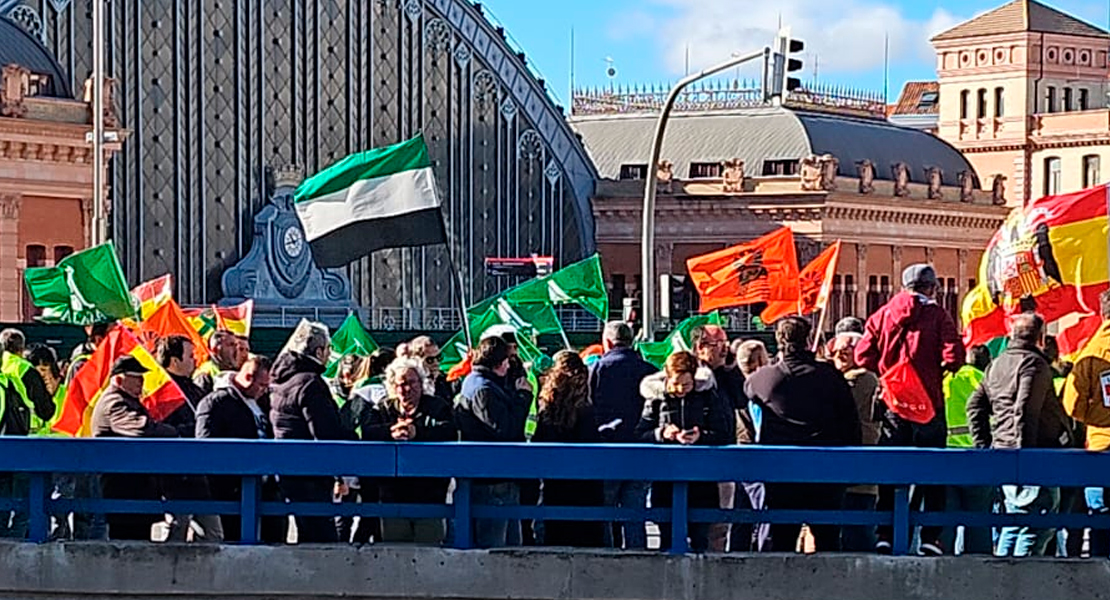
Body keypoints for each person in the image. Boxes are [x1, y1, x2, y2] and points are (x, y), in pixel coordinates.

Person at [856, 264, 964, 556]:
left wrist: (888, 373)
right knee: (933, 473)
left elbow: (862, 355)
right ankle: (931, 537)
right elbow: (954, 356)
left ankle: (885, 535)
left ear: (904, 286)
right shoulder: (938, 315)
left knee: (891, 472)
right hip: (928, 405)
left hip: (894, 405)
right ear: (932, 288)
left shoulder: (882, 315)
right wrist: (933, 371)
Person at [745, 318, 861, 553]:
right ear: (809, 341)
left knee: (783, 542)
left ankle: (783, 588)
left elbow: (748, 390)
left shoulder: (764, 379)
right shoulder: (830, 377)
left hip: (782, 476)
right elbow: (851, 425)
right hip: (825, 474)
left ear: (778, 342)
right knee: (828, 542)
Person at [968, 313, 1071, 557]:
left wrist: (984, 445)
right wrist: (1025, 457)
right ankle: (1020, 581)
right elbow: (1025, 410)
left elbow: (975, 406)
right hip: (1035, 457)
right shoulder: (1034, 364)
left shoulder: (996, 365)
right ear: (1041, 338)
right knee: (1037, 525)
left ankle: (1001, 580)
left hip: (1003, 451)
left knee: (1014, 521)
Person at [636, 351, 732, 552]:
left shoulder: (708, 396)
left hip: (702, 479)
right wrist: (661, 433)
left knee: (700, 539)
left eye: (686, 385)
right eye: (675, 384)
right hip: (665, 478)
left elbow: (723, 433)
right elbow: (640, 433)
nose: (680, 390)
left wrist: (701, 436)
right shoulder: (656, 399)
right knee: (666, 537)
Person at [269, 321, 348, 543]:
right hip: (311, 472)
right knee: (322, 539)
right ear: (319, 351)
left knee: (306, 534)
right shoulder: (311, 383)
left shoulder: (280, 382)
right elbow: (325, 432)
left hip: (287, 470)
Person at [363, 358, 455, 544]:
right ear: (392, 386)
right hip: (392, 496)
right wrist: (391, 431)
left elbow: (449, 431)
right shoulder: (383, 409)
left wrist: (417, 432)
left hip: (430, 496)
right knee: (395, 554)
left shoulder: (437, 407)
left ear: (421, 384)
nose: (407, 389)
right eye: (401, 384)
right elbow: (367, 432)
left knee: (431, 554)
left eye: (412, 382)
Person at [195, 355, 286, 543]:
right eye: (262, 385)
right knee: (234, 541)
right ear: (247, 377)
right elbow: (206, 445)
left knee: (275, 540)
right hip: (233, 489)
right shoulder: (216, 402)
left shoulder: (262, 401)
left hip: (267, 486)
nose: (264, 391)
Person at [455, 336, 533, 548]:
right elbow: (504, 429)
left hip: (491, 472)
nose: (510, 366)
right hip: (493, 478)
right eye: (507, 361)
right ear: (500, 363)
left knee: (507, 544)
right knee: (497, 545)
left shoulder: (475, 382)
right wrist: (523, 398)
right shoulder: (485, 390)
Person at [90, 356, 178, 541]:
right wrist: (176, 431)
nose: (142, 382)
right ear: (120, 379)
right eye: (137, 377)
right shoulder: (115, 402)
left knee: (135, 541)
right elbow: (141, 428)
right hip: (123, 486)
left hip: (133, 485)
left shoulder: (123, 399)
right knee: (127, 544)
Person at [587, 321, 656, 550]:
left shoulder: (597, 370)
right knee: (635, 510)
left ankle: (607, 554)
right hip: (642, 450)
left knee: (606, 509)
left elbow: (590, 407)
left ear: (606, 342)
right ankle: (638, 554)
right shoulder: (649, 370)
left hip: (607, 450)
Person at [155, 335, 223, 543]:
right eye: (191, 356)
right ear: (175, 361)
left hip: (197, 474)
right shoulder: (162, 392)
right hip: (175, 475)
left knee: (212, 533)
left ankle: (202, 574)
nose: (196, 360)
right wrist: (193, 430)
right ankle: (170, 574)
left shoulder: (192, 388)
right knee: (177, 530)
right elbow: (162, 429)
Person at [533, 351, 605, 548]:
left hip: (556, 480)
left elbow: (540, 441)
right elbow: (592, 444)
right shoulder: (585, 409)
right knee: (587, 539)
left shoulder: (547, 408)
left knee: (556, 536)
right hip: (586, 483)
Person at [1062, 289, 1110, 558]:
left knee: (1100, 517)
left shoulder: (1091, 352)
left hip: (1102, 447)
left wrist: (1096, 419)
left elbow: (1072, 405)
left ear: (1103, 313)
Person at [828, 331, 881, 552]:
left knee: (855, 530)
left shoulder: (861, 379)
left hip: (855, 466)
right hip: (855, 466)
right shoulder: (862, 378)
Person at [940, 344, 994, 555]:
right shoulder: (980, 378)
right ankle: (980, 567)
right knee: (979, 520)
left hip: (944, 456)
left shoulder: (943, 378)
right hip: (977, 457)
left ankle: (942, 563)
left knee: (945, 519)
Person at [1, 329, 55, 435]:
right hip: (27, 430)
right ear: (21, 349)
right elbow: (45, 410)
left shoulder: (2, 366)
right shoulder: (25, 369)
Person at [194, 330, 244, 395]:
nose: (236, 349)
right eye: (231, 345)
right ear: (215, 350)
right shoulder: (204, 375)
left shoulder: (239, 372)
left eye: (236, 345)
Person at [408, 336, 453, 401]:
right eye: (430, 360)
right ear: (416, 361)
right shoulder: (408, 385)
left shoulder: (450, 382)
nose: (436, 363)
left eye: (438, 357)